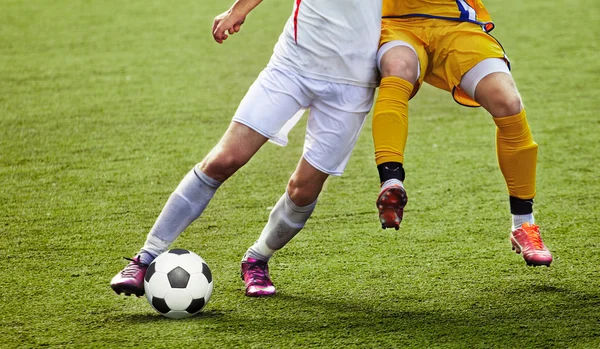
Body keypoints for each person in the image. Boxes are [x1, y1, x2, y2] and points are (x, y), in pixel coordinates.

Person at [111, 0, 383, 297]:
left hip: (354, 84)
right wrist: (238, 9)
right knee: (223, 160)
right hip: (293, 67)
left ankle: (257, 259)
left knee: (303, 190)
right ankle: (145, 258)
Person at [372, 0, 552, 266]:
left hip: (457, 23)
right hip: (395, 23)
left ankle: (524, 224)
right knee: (399, 68)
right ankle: (391, 182)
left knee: (507, 102)